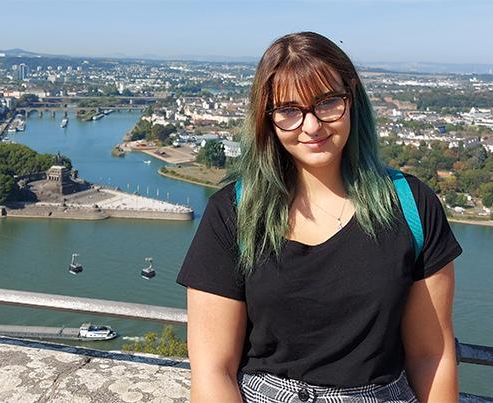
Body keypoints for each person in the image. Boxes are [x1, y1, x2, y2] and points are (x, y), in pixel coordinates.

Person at [176, 32, 462, 403]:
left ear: (352, 98)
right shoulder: (233, 213)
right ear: (268, 119)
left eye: (327, 103)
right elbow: (214, 369)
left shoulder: (411, 205)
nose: (311, 126)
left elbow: (431, 356)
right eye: (289, 111)